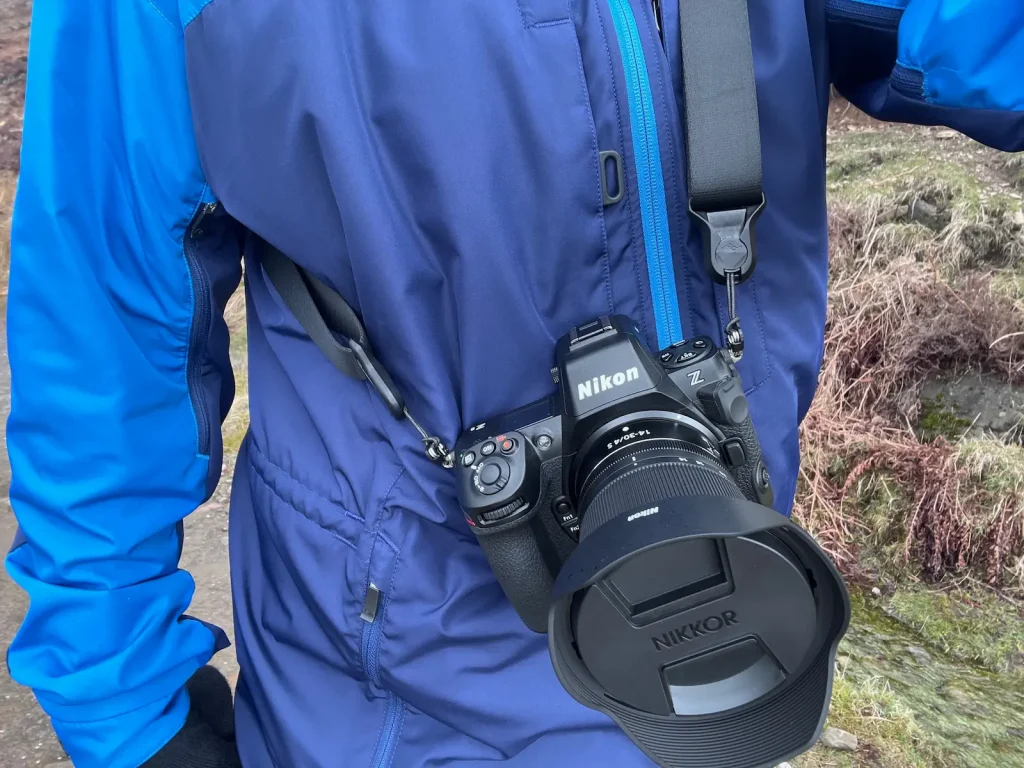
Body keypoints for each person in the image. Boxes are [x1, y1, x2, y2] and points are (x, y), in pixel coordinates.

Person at [4, 2, 1021, 767]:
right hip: (387, 698)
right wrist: (124, 701)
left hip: (730, 609)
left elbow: (971, 47)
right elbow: (105, 289)